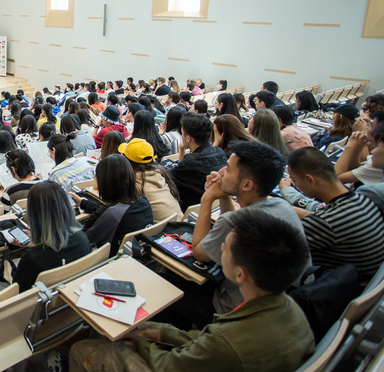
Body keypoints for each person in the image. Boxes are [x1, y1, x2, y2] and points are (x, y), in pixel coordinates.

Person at [70, 210, 314, 372]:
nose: (219, 248)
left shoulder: (227, 343)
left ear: (241, 274)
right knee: (140, 327)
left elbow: (168, 365)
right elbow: (205, 341)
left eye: (225, 248)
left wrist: (142, 341)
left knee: (81, 349)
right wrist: (154, 333)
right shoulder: (291, 309)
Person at [189, 141, 308, 319]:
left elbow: (199, 252)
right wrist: (224, 194)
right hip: (283, 307)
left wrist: (207, 198)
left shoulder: (237, 221)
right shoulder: (282, 204)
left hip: (233, 309)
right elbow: (228, 222)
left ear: (246, 185)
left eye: (227, 169)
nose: (221, 172)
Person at [287, 147, 384, 282]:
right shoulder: (363, 200)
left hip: (338, 293)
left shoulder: (324, 223)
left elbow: (276, 245)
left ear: (310, 180)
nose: (296, 186)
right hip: (366, 286)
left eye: (295, 181)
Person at [70, 154, 153, 255]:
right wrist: (84, 203)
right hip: (136, 257)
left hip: (109, 260)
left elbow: (81, 239)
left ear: (106, 183)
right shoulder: (144, 201)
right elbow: (114, 211)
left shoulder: (110, 214)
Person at [170, 113, 228, 210]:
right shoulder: (219, 151)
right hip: (216, 208)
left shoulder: (190, 163)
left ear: (188, 138)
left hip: (196, 211)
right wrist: (181, 149)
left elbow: (171, 176)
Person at [121, 139, 182, 222]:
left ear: (127, 162)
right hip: (180, 224)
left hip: (159, 231)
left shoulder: (135, 183)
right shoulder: (161, 174)